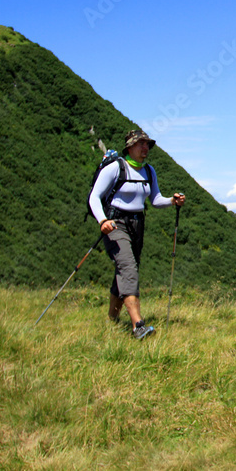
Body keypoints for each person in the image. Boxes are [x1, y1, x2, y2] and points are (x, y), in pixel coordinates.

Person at [88, 129, 185, 339]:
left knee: (125, 271)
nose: (145, 148)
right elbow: (94, 197)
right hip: (115, 224)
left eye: (147, 145)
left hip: (138, 224)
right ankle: (138, 326)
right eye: (141, 144)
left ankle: (112, 321)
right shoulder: (115, 168)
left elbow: (155, 199)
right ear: (129, 147)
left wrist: (171, 201)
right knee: (128, 267)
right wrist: (102, 220)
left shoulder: (149, 171)